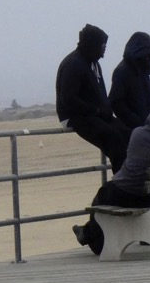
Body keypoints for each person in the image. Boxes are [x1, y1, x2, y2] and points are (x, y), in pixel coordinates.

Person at [73, 102, 150, 255]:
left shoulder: (138, 133)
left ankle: (90, 237)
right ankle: (87, 233)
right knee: (106, 194)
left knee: (102, 195)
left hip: (123, 193)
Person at [55, 24, 131, 173]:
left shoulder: (94, 63)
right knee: (113, 138)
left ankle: (131, 177)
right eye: (102, 45)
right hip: (75, 116)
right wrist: (96, 110)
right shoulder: (73, 64)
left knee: (129, 135)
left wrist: (105, 110)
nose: (105, 48)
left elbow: (100, 95)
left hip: (96, 115)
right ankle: (122, 180)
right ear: (92, 44)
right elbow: (68, 99)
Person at [109, 32, 150, 130]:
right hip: (131, 128)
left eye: (149, 56)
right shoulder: (122, 71)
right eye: (146, 54)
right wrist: (135, 121)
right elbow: (116, 102)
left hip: (146, 126)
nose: (148, 58)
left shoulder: (143, 70)